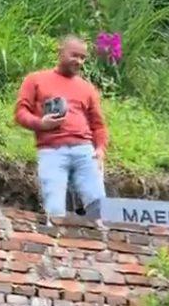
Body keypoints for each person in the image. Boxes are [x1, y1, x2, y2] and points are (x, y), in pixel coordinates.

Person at [14, 37, 109, 217]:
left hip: (84, 150)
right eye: (74, 55)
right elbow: (20, 113)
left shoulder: (88, 88)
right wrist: (41, 124)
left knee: (99, 206)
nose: (78, 61)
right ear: (60, 53)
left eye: (82, 58)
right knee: (54, 207)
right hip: (51, 150)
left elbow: (98, 125)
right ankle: (55, 235)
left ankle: (101, 235)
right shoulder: (35, 80)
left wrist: (100, 149)